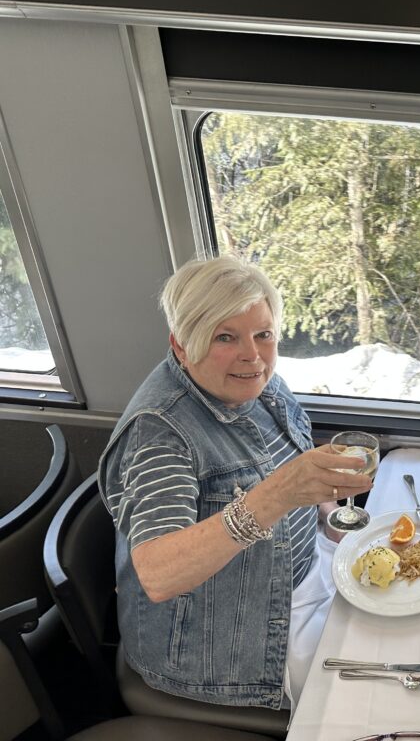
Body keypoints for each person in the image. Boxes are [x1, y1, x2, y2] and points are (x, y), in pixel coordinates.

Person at [98, 255, 371, 710]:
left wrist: (326, 515)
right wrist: (278, 495)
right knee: (377, 694)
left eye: (263, 334)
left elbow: (288, 466)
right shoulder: (159, 433)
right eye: (225, 337)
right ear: (182, 345)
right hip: (230, 642)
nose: (253, 354)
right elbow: (159, 575)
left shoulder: (255, 384)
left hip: (305, 572)